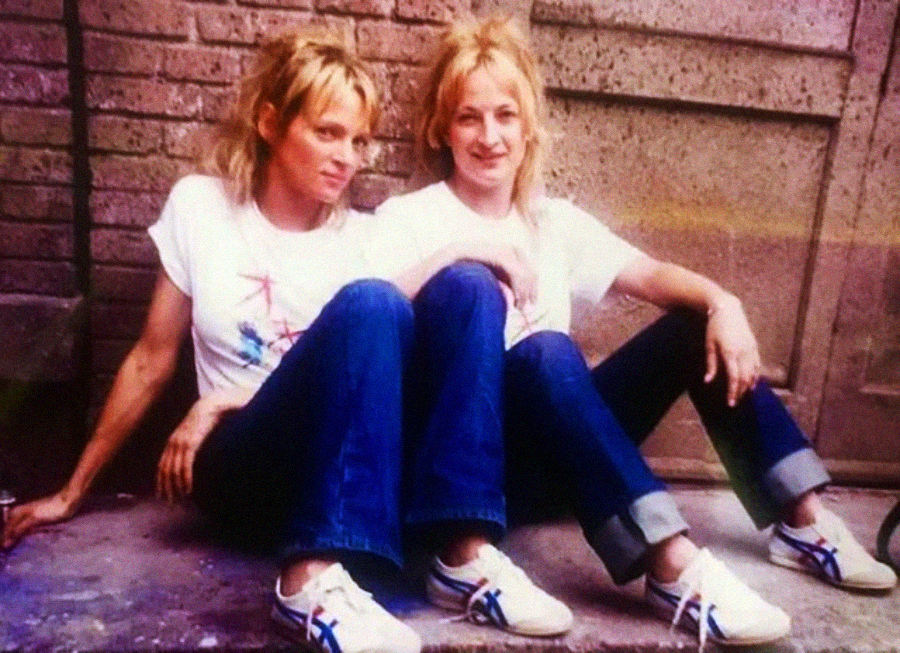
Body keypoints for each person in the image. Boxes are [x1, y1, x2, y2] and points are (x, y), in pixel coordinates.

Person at [0, 27, 573, 652]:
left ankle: (454, 555)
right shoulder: (201, 208)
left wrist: (466, 247)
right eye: (327, 133)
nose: (347, 157)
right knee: (372, 301)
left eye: (358, 141)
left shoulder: (364, 236)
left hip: (330, 467)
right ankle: (307, 582)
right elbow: (149, 360)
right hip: (241, 471)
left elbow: (384, 361)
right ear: (271, 123)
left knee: (406, 297)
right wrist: (70, 490)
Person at [372, 15, 898, 648]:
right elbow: (363, 323)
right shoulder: (408, 218)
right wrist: (460, 253)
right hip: (468, 477)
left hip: (555, 458)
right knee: (543, 352)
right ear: (441, 128)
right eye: (468, 117)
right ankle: (672, 565)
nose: (490, 136)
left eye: (506, 115)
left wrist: (723, 302)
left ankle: (801, 520)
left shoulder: (551, 221)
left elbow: (650, 274)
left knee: (688, 327)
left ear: (531, 124)